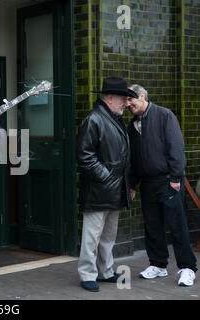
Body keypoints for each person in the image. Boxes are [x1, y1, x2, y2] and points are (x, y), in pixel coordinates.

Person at [127, 84, 197, 286]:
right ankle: (158, 265)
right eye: (126, 100)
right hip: (147, 183)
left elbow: (176, 147)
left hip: (168, 181)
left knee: (177, 226)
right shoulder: (132, 125)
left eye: (131, 98)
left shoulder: (164, 115)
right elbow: (133, 159)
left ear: (142, 95)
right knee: (152, 225)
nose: (128, 103)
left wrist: (176, 177)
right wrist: (132, 184)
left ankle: (187, 268)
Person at [76, 76, 138, 292]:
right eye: (123, 98)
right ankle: (87, 274)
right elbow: (85, 156)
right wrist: (107, 177)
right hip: (100, 189)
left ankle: (105, 270)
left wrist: (123, 183)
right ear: (110, 97)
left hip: (113, 188)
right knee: (92, 236)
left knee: (108, 235)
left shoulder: (113, 118)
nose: (125, 102)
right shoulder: (94, 119)